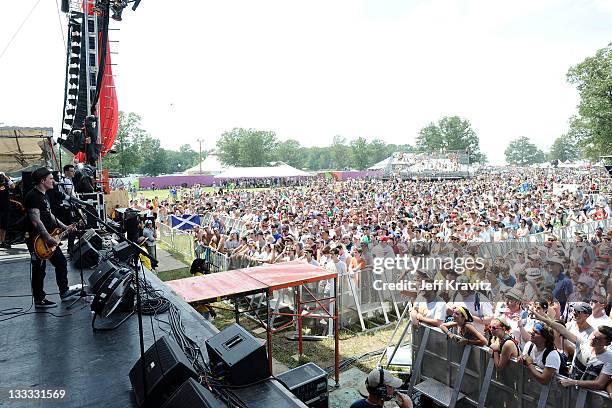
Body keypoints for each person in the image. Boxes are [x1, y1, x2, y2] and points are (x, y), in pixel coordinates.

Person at [24, 167, 80, 308]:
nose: (53, 181)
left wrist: (65, 227)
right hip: (37, 239)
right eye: (50, 179)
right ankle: (39, 299)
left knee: (61, 262)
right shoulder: (32, 196)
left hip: (49, 236)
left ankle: (64, 291)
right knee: (39, 269)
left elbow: (49, 216)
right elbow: (36, 220)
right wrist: (48, 237)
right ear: (42, 181)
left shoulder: (45, 195)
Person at [0, 171, 15, 248]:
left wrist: (5, 177)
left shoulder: (5, 184)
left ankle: (2, 241)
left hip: (5, 207)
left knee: (4, 225)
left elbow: (13, 186)